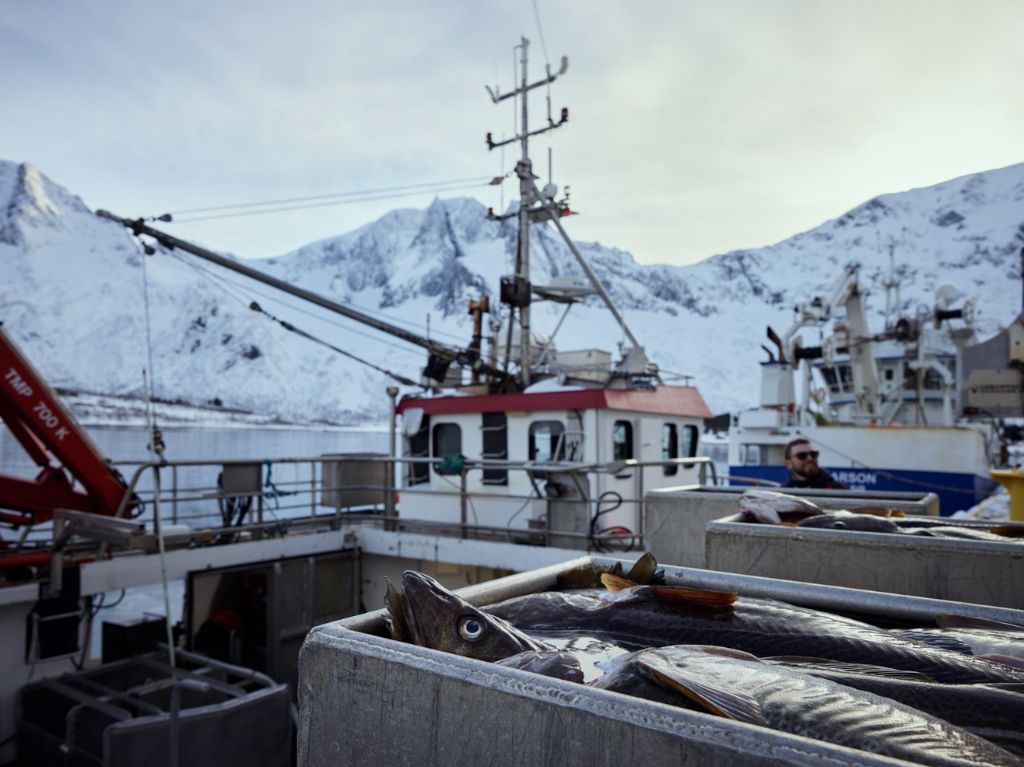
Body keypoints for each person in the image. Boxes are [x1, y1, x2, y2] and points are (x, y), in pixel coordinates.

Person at [783, 438, 848, 489]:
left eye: (813, 454)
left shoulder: (838, 489)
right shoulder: (784, 495)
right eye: (802, 455)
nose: (810, 458)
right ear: (788, 464)